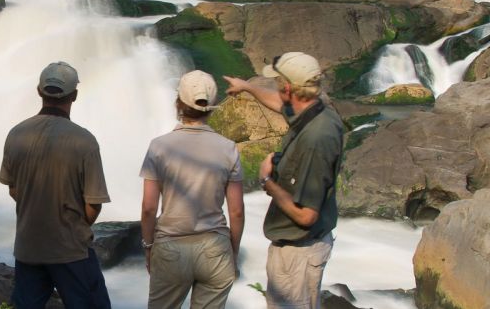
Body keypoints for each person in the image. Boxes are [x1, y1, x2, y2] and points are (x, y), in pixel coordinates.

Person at [223, 52, 344, 309]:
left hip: (298, 253)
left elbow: (306, 216)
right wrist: (247, 88)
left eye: (278, 82)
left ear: (288, 88)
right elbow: (282, 106)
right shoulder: (316, 109)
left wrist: (267, 181)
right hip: (302, 247)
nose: (276, 86)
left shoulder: (316, 140)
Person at [0, 61, 112, 309]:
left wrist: (38, 209)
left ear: (39, 91)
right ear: (75, 95)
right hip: (70, 250)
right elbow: (93, 203)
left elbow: (13, 189)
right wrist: (69, 223)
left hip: (28, 246)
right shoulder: (84, 141)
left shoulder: (16, 134)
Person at [140, 70, 245, 309]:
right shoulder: (228, 148)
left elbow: (148, 208)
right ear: (212, 105)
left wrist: (148, 247)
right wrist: (233, 252)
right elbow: (236, 211)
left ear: (179, 103)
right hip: (214, 248)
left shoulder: (159, 147)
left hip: (170, 247)